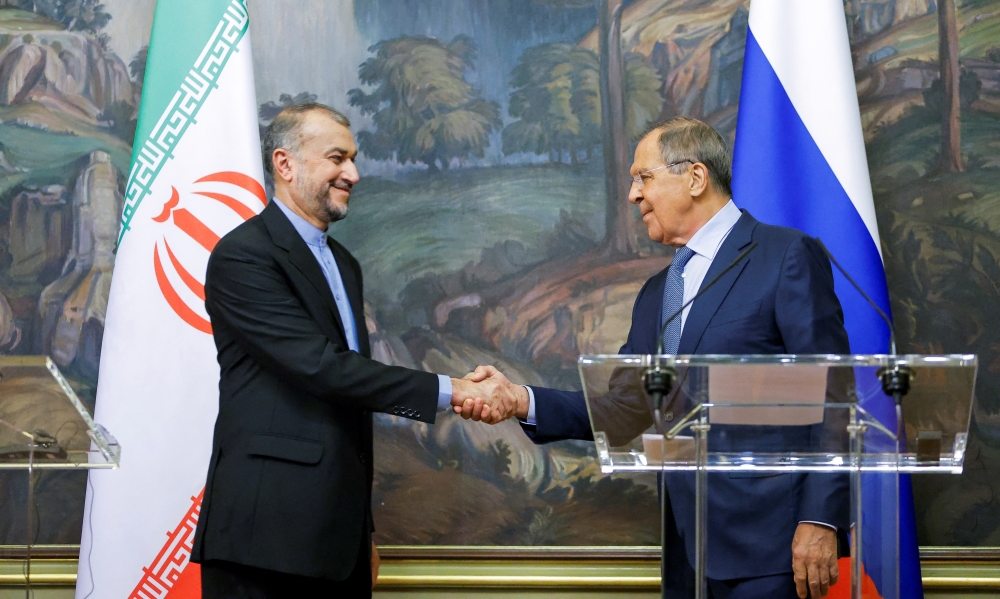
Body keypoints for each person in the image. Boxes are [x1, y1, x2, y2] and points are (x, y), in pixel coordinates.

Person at [458, 117, 850, 599]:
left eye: (643, 177)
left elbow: (832, 394)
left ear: (695, 178)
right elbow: (626, 411)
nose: (632, 195)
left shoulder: (785, 255)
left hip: (773, 549)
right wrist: (520, 399)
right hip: (687, 551)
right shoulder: (656, 294)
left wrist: (820, 519)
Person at [191, 103, 514, 598]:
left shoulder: (342, 262)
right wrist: (452, 389)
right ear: (285, 164)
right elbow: (322, 369)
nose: (354, 174)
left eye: (354, 159)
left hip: (334, 544)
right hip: (265, 541)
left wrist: (358, 533)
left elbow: (346, 406)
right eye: (337, 158)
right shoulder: (244, 255)